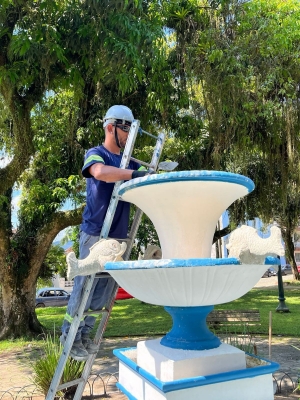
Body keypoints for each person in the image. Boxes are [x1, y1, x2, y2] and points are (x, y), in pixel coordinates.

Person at [61, 105, 150, 361]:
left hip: (118, 238)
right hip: (95, 233)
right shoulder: (97, 154)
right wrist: (134, 173)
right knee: (84, 287)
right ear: (111, 127)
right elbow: (99, 173)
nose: (128, 136)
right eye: (125, 129)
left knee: (102, 292)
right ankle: (70, 335)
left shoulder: (129, 161)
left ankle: (86, 334)